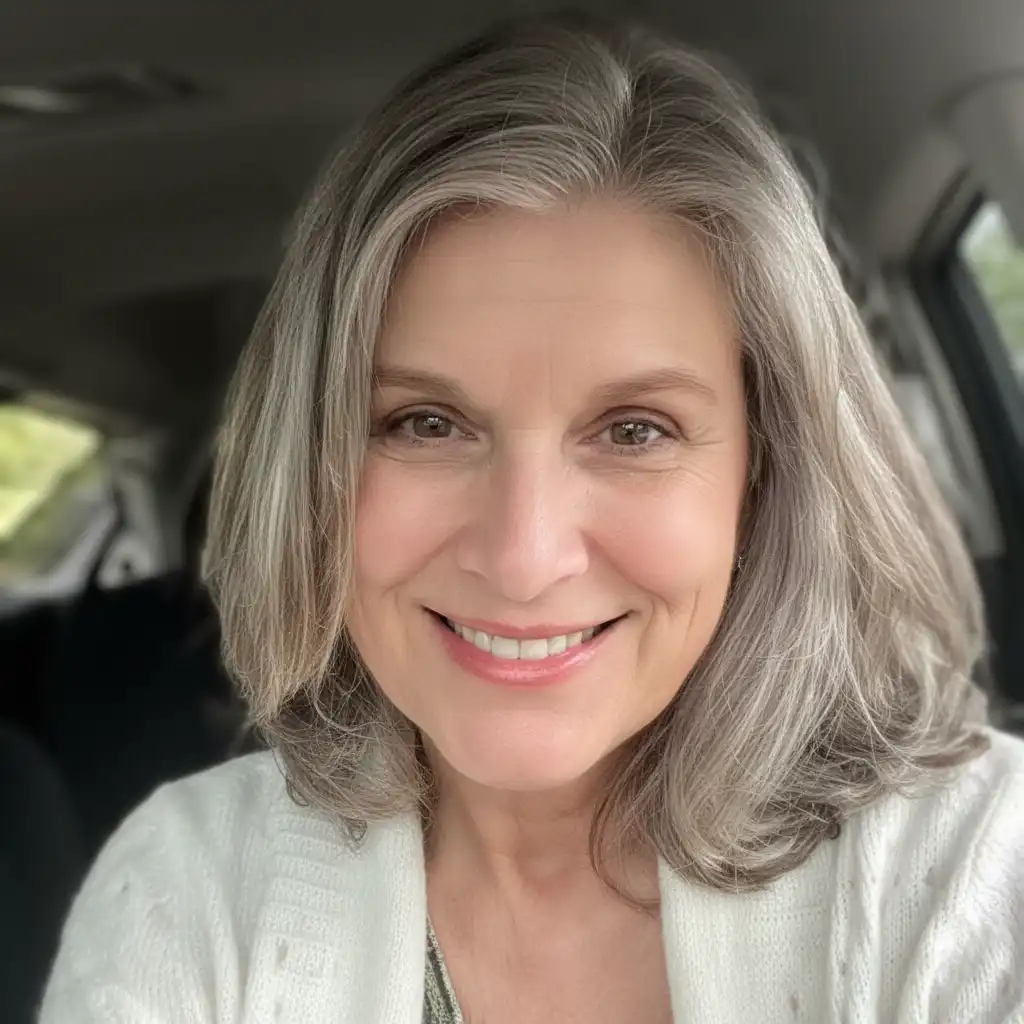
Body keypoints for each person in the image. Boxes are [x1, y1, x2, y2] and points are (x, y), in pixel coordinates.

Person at [40, 11, 1024, 1023]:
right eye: (425, 423)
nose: (523, 557)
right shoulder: (189, 895)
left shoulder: (977, 868)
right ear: (314, 469)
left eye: (635, 430)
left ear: (766, 473)